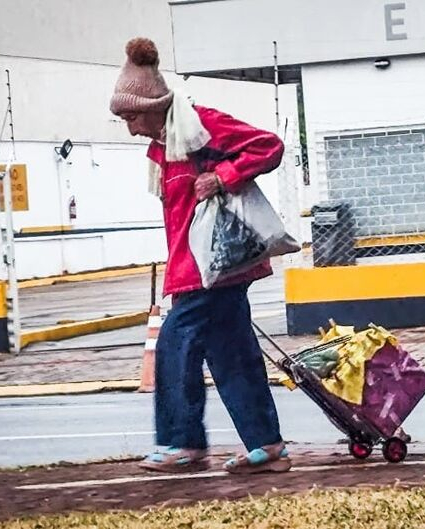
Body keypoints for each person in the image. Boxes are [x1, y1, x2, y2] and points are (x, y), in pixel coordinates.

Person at [110, 37, 290, 474]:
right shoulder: (164, 147)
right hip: (201, 268)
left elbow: (269, 146)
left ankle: (181, 443)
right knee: (233, 354)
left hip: (213, 268)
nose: (130, 128)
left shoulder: (201, 125)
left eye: (132, 116)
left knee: (174, 346)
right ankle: (267, 446)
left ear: (154, 106)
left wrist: (223, 176)